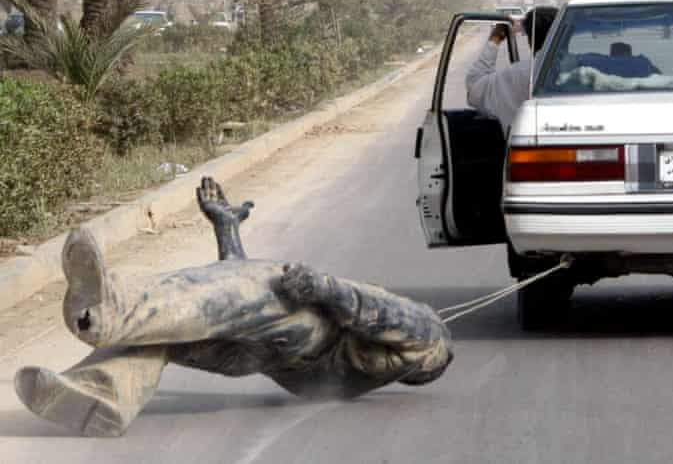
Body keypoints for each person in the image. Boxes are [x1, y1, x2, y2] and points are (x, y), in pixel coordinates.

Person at [15, 177, 453, 437]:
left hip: (302, 345)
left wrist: (324, 287)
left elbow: (381, 312)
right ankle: (104, 394)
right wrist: (228, 231)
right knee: (176, 328)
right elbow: (226, 297)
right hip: (264, 355)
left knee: (265, 282)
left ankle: (111, 310)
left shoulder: (431, 341)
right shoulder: (374, 366)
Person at [465, 6, 559, 132]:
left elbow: (474, 88)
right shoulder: (583, 72)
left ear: (530, 40)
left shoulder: (517, 75)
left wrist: (495, 39)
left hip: (525, 148)